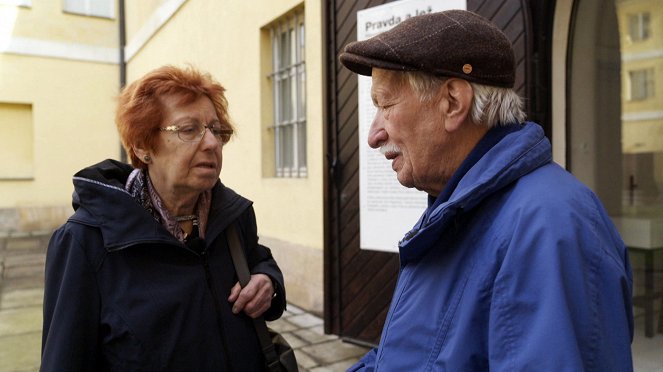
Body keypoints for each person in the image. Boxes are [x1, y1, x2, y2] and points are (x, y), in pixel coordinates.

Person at [340, 9, 633, 371]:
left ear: (452, 103)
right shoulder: (461, 206)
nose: (373, 135)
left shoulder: (549, 227)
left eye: (386, 105)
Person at [41, 65, 287, 371]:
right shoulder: (86, 241)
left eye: (215, 129)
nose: (211, 143)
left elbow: (259, 261)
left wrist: (268, 282)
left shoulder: (233, 214)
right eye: (189, 129)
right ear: (143, 146)